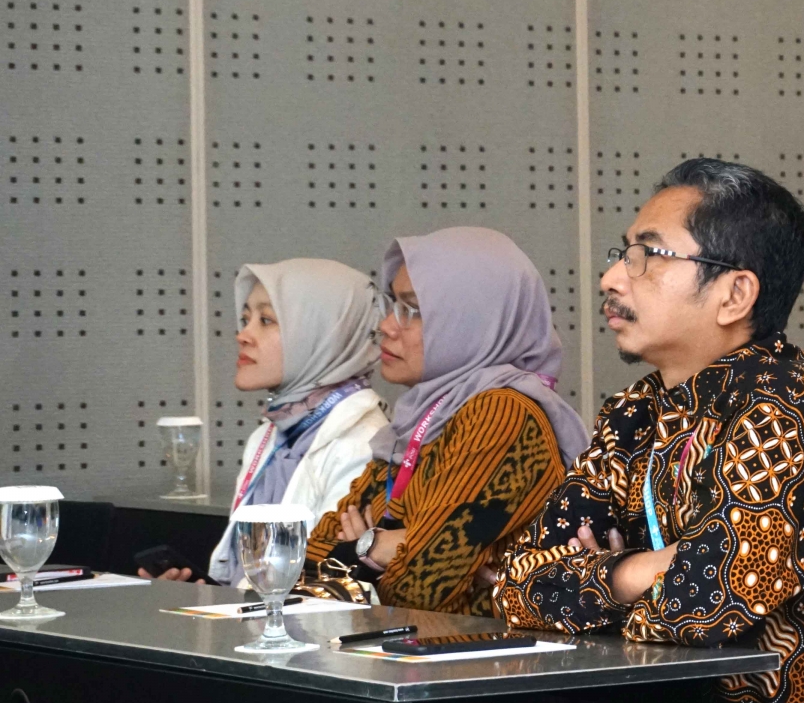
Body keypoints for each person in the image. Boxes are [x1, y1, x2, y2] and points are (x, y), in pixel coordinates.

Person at [492, 159, 804, 703]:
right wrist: (641, 570)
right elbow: (517, 587)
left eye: (647, 255)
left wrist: (600, 580)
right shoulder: (636, 413)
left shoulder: (783, 412)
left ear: (734, 294)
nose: (611, 278)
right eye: (623, 252)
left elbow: (700, 607)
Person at [304, 227, 590, 618]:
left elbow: (420, 588)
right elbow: (311, 560)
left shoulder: (501, 415)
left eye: (413, 310)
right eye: (393, 304)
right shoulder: (422, 417)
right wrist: (380, 549)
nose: (387, 325)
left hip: (481, 654)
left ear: (472, 321)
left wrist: (366, 545)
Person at [139, 259, 389, 584]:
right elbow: (246, 576)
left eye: (267, 320)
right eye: (246, 319)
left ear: (323, 334)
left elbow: (320, 584)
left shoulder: (364, 444)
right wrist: (199, 593)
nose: (243, 335)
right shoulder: (268, 436)